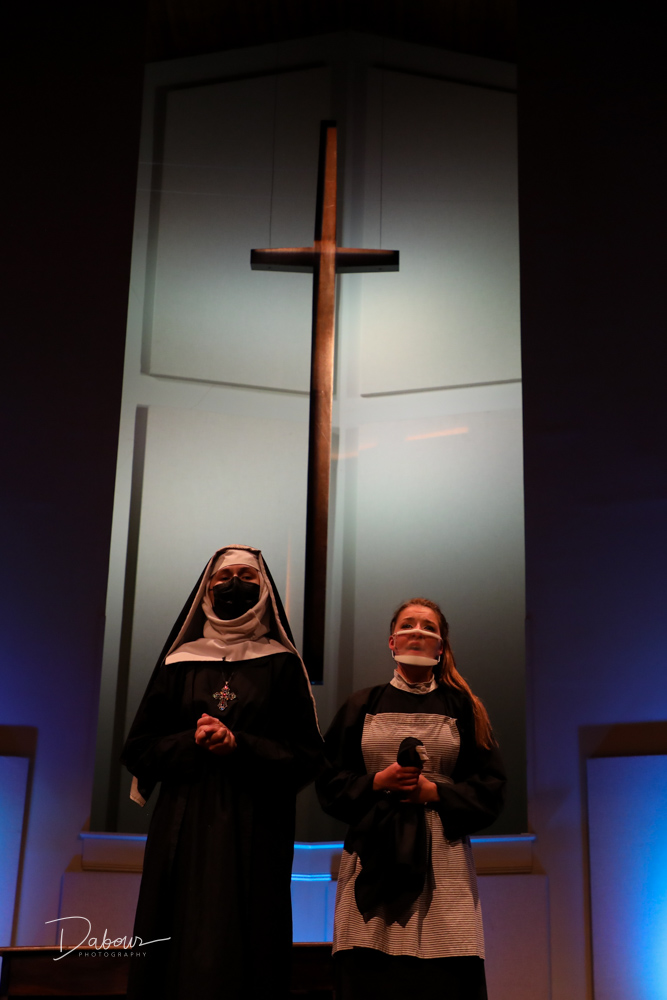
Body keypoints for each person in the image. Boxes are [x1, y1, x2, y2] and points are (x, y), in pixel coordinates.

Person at [121, 545, 323, 1000]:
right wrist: (191, 741)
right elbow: (138, 750)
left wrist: (240, 745)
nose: (235, 584)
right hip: (183, 824)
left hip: (257, 826)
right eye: (224, 576)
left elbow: (308, 756)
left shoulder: (282, 663)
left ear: (264, 590)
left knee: (248, 948)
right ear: (207, 590)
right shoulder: (180, 662)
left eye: (247, 576)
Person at [317, 597, 506, 1000]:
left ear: (441, 646)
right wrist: (377, 781)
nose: (417, 632)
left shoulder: (464, 708)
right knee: (371, 978)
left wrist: (434, 791)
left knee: (443, 977)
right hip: (374, 855)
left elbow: (491, 788)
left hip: (444, 860)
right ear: (392, 641)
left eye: (428, 627)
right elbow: (329, 783)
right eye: (407, 625)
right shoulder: (362, 705)